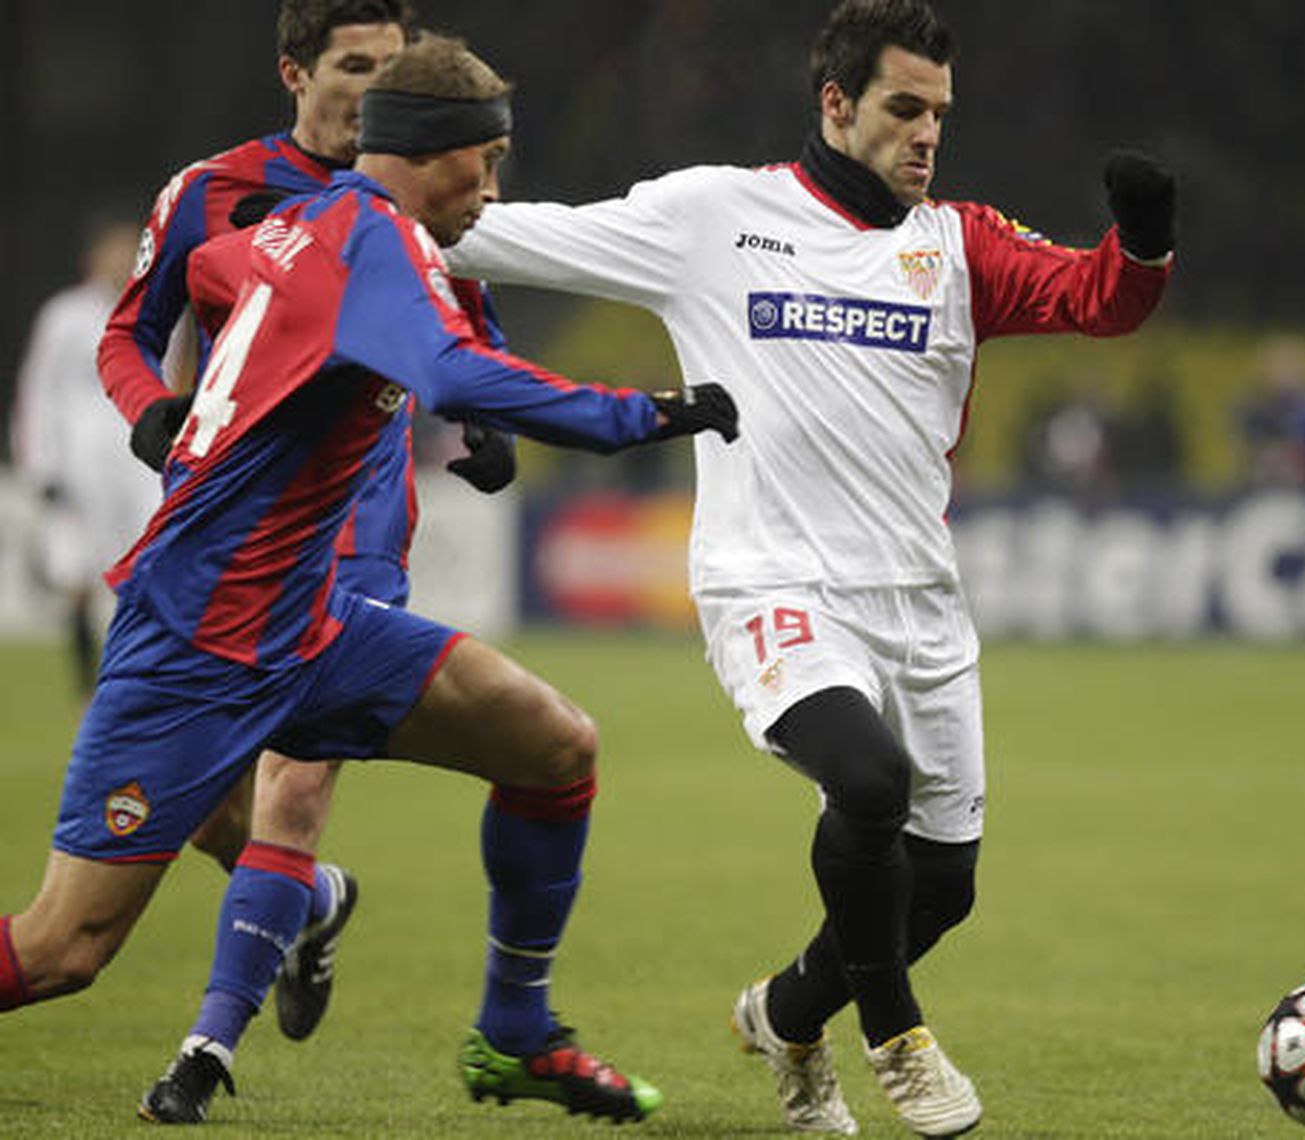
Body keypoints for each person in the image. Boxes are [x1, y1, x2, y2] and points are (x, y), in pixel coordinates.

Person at [444, 1, 1174, 1134]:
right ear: (835, 104)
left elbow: (1099, 299)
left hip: (918, 603)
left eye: (938, 112)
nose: (926, 133)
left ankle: (787, 1015)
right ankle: (896, 1037)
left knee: (945, 887)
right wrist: (342, 188)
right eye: (902, 108)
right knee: (867, 783)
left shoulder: (961, 244)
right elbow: (495, 232)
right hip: (771, 583)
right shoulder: (713, 217)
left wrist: (1144, 238)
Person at [0, 30, 737, 1129]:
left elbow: (216, 271)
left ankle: (517, 1034)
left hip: (307, 622)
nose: (491, 192)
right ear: (422, 151)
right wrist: (650, 414)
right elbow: (444, 367)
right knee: (64, 950)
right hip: (200, 642)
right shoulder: (376, 245)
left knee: (554, 746)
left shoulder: (305, 225)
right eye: (480, 164)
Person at [95, 2, 514, 1093]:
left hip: (355, 538)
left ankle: (203, 1052)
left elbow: (472, 319)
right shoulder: (211, 193)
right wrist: (151, 411)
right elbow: (127, 332)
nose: (380, 92)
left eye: (393, 70)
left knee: (294, 791)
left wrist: (491, 427)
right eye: (357, 68)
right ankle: (312, 899)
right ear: (294, 72)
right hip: (221, 543)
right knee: (202, 812)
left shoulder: (415, 189)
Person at [10, 218, 161, 699]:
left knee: (144, 570)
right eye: (113, 250)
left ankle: (137, 676)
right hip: (79, 460)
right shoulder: (66, 315)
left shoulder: (153, 309)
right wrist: (39, 462)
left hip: (138, 459)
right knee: (75, 569)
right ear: (93, 257)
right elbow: (38, 388)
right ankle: (85, 685)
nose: (121, 260)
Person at [1234, 335, 1305, 491]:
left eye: (1291, 367)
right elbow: (1248, 446)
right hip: (1261, 486)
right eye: (1278, 367)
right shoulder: (1253, 406)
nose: (1284, 374)